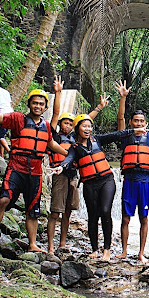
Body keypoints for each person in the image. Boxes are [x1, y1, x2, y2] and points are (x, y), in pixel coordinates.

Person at [0, 81, 68, 252]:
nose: (37, 106)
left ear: (45, 107)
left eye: (41, 104)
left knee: (33, 209)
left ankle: (32, 244)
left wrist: (69, 155)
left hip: (36, 171)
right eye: (35, 103)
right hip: (17, 167)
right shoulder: (18, 119)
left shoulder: (46, 125)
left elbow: (51, 143)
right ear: (29, 104)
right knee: (3, 200)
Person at [46, 76, 108, 254]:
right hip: (60, 174)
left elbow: (86, 120)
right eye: (65, 123)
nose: (67, 125)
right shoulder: (55, 137)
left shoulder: (75, 140)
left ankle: (62, 243)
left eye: (69, 123)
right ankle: (50, 246)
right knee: (55, 212)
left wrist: (99, 107)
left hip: (73, 176)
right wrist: (58, 93)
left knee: (67, 211)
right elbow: (56, 114)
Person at [55, 114, 121, 261]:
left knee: (105, 211)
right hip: (90, 184)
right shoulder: (75, 147)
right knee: (92, 216)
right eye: (84, 126)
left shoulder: (97, 139)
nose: (88, 129)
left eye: (89, 126)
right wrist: (61, 167)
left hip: (106, 180)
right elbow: (69, 159)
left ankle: (107, 250)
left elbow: (117, 135)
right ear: (78, 128)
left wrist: (135, 131)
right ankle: (94, 249)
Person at [115, 80, 149, 264]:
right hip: (129, 180)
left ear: (144, 123)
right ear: (131, 122)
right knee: (125, 218)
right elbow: (120, 118)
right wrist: (123, 97)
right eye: (135, 121)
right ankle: (124, 251)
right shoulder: (125, 136)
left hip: (144, 181)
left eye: (141, 121)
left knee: (144, 218)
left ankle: (141, 253)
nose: (138, 123)